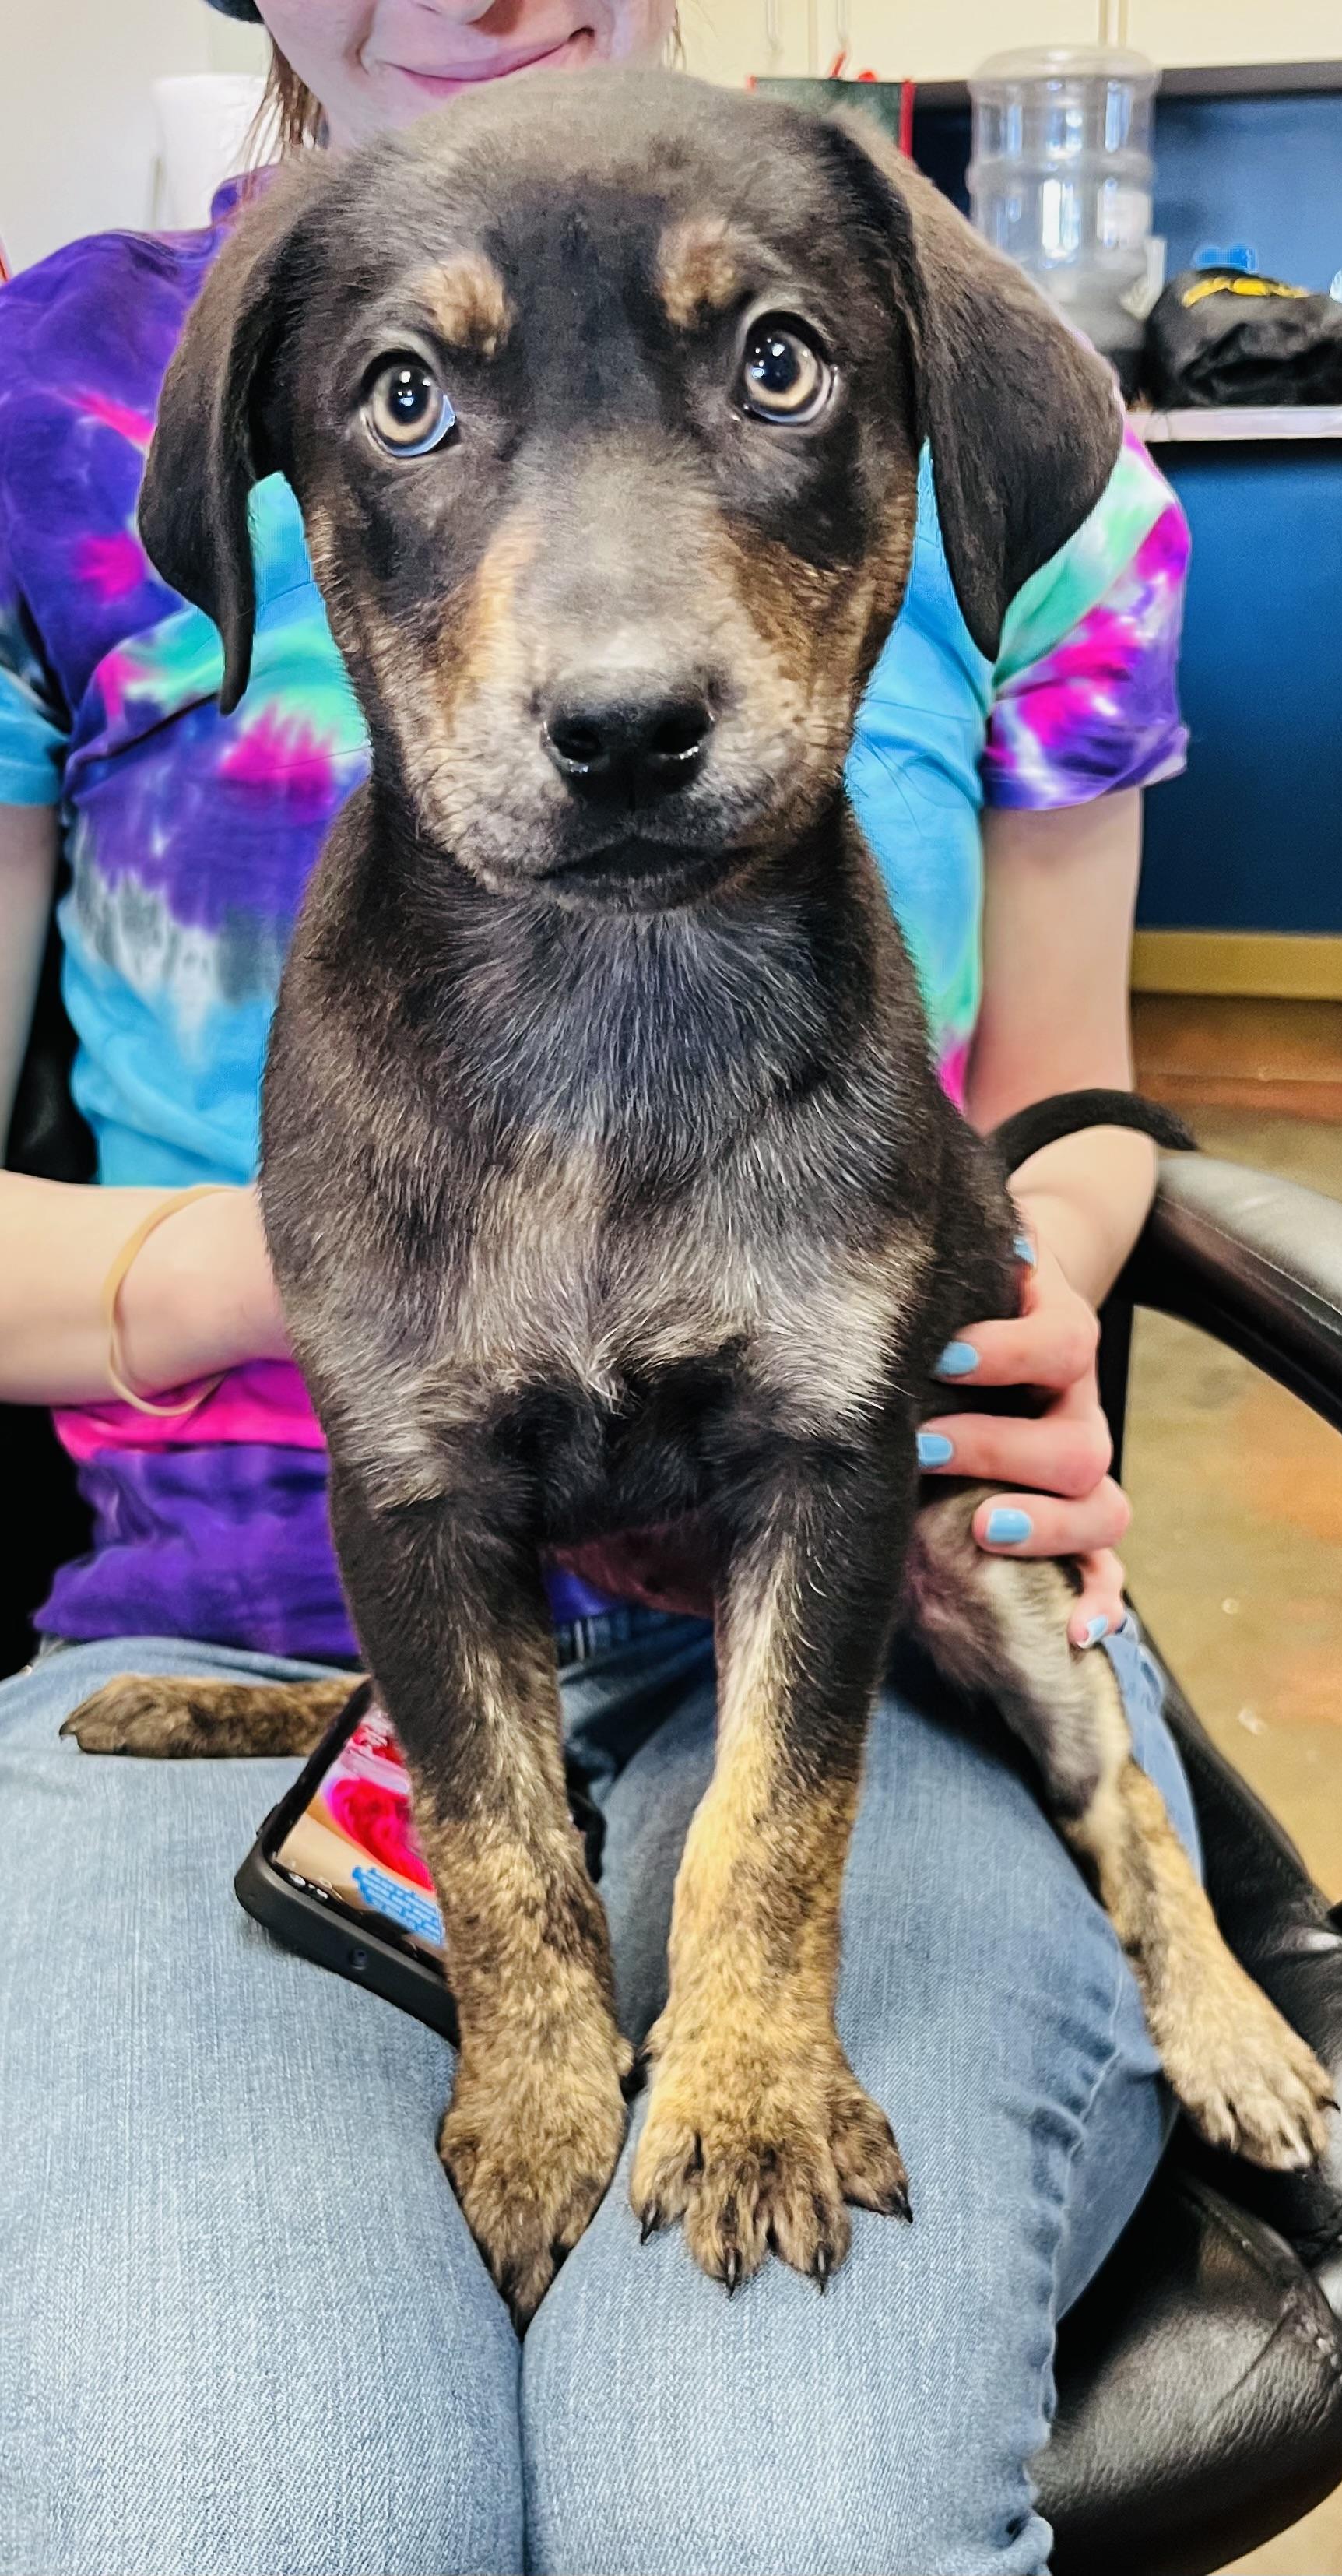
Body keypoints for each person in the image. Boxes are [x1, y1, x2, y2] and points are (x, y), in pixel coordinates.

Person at [0, 7, 1194, 2571]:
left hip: (859, 1609)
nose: (620, 656)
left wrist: (1022, 1294)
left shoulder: (927, 301)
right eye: (410, 405)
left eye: (769, 374)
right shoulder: (57, 407)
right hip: (265, 1606)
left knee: (777, 2497)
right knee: (237, 2494)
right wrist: (340, 1282)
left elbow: (1073, 1096)